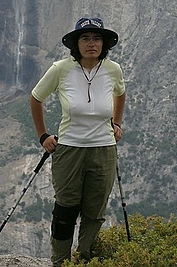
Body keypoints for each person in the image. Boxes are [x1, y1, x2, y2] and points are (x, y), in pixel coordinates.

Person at [30, 17, 126, 266]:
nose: (91, 44)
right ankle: (60, 261)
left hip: (104, 149)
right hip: (69, 149)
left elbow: (121, 93)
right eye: (85, 38)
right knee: (65, 210)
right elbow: (36, 98)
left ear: (104, 43)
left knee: (95, 212)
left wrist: (116, 123)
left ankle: (84, 260)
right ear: (76, 43)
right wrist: (43, 135)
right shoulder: (61, 69)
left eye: (96, 38)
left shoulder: (113, 70)